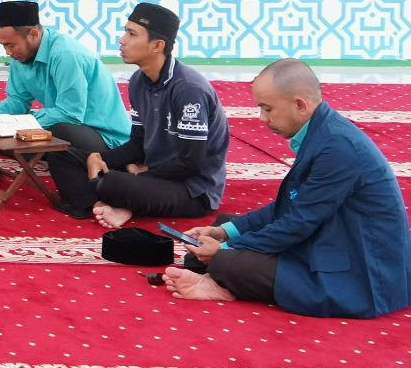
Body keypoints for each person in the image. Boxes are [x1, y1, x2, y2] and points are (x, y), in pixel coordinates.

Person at [163, 59, 411, 318]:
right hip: (334, 234)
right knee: (217, 237)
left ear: (300, 105)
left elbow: (298, 222)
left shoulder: (337, 148)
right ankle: (225, 274)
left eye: (267, 109)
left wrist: (225, 251)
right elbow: (289, 206)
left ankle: (224, 283)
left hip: (362, 272)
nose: (262, 118)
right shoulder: (322, 132)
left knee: (225, 261)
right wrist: (223, 233)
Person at [48, 3, 229, 226]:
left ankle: (114, 200)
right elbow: (137, 144)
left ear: (157, 45)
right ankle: (102, 205)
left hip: (192, 189)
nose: (122, 40)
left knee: (113, 183)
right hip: (151, 174)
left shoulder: (189, 90)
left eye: (132, 34)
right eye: (125, 32)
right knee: (62, 155)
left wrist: (138, 177)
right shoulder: (138, 81)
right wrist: (100, 158)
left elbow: (191, 164)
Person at [0, 0, 131, 184]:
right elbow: (17, 100)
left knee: (58, 130)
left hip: (105, 137)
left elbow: (70, 114)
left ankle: (109, 163)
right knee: (2, 138)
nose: (8, 52)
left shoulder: (65, 55)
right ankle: (57, 157)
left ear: (33, 34)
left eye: (11, 45)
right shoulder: (20, 55)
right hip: (72, 125)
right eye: (4, 46)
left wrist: (21, 124)